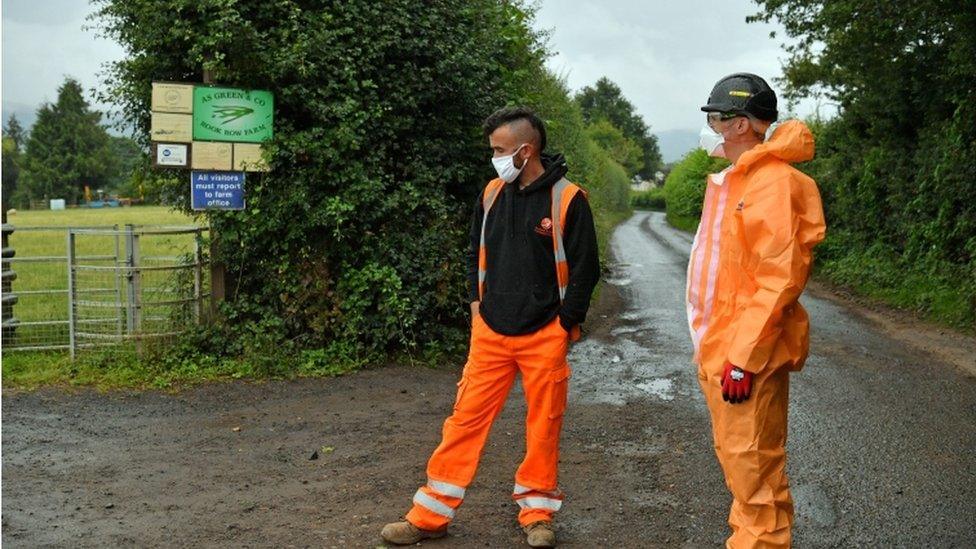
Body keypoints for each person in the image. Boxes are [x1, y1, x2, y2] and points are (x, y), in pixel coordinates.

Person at [381, 106, 600, 548]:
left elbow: (586, 270)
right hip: (491, 333)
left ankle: (537, 515)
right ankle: (429, 516)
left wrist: (564, 325)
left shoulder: (568, 199)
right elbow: (472, 254)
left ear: (525, 150)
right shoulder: (491, 194)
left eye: (500, 150)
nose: (494, 158)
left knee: (543, 426)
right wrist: (476, 307)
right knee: (463, 422)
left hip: (544, 335)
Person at [689, 73, 826, 548]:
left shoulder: (772, 183)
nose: (711, 127)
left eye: (716, 118)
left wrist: (743, 357)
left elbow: (779, 277)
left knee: (754, 469)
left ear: (741, 124)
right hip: (723, 345)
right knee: (743, 468)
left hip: (743, 353)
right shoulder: (742, 180)